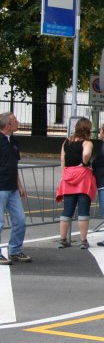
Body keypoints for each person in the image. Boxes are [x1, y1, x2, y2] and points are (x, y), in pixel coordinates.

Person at [55, 117, 96, 249]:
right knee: (83, 210)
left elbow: (62, 159)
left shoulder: (66, 142)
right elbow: (86, 154)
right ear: (88, 129)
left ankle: (62, 239)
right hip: (83, 178)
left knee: (67, 210)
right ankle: (83, 240)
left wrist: (63, 175)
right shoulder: (87, 143)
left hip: (68, 177)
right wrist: (84, 163)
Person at [0, 112, 31, 264]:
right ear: (7, 126)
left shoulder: (13, 140)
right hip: (1, 186)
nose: (18, 122)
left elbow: (14, 164)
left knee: (20, 219)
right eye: (15, 121)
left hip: (12, 186)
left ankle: (15, 250)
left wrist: (19, 185)